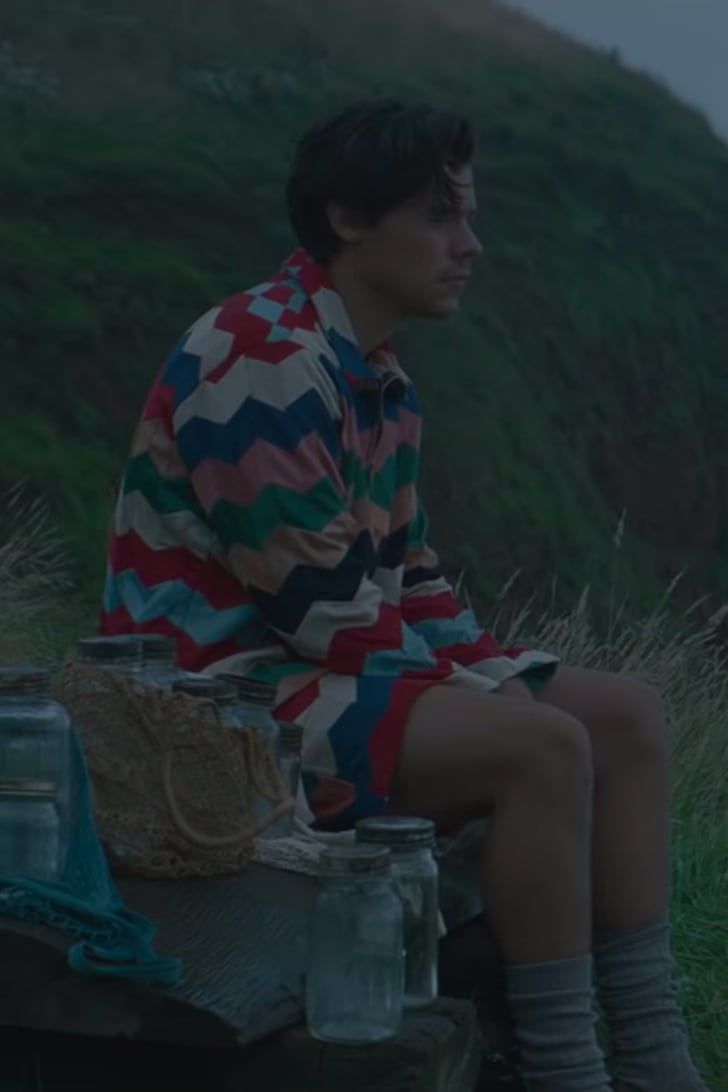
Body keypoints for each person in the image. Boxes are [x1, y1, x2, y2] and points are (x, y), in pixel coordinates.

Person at [100, 98, 709, 1092]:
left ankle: (650, 1053)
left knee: (624, 718)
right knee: (541, 746)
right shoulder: (257, 359)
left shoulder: (371, 374)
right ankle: (566, 1069)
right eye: (437, 218)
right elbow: (322, 609)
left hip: (317, 674)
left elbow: (410, 578)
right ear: (348, 219)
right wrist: (488, 703)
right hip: (220, 706)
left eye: (465, 217)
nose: (467, 245)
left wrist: (491, 672)